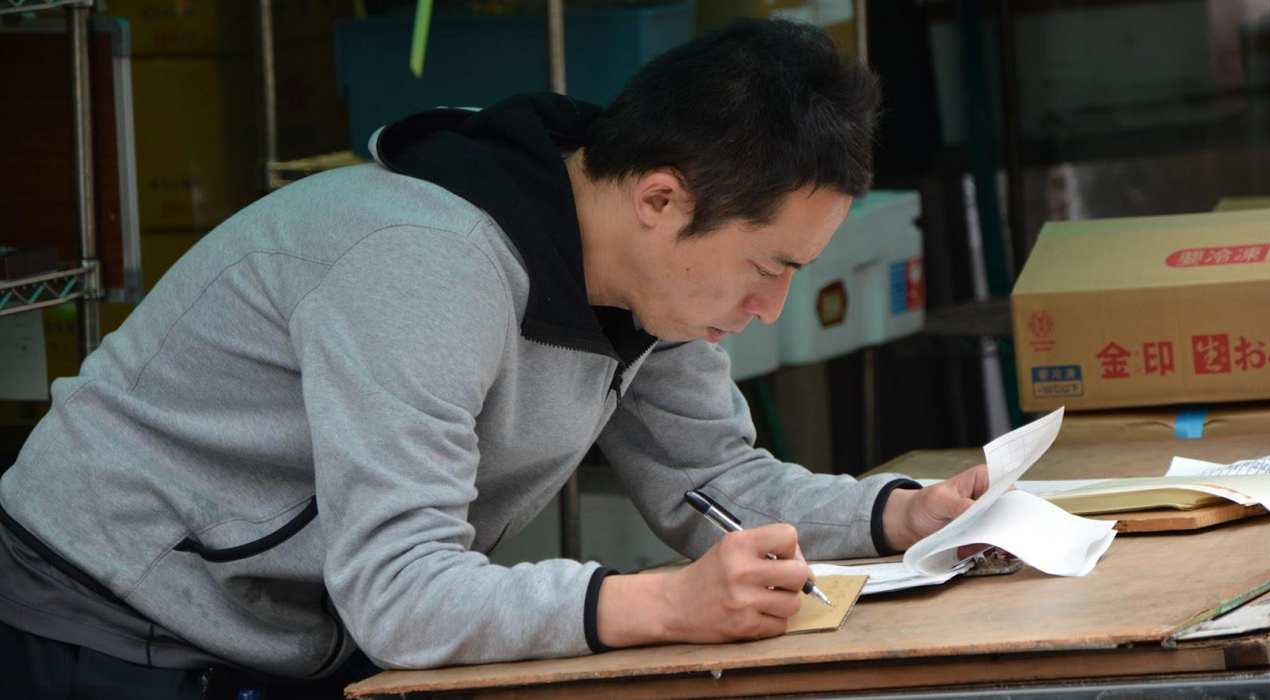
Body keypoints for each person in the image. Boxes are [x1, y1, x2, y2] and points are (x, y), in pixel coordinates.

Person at [0, 17, 991, 698]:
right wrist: (661, 603)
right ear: (660, 198)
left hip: (293, 620)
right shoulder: (424, 268)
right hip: (109, 612)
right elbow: (402, 590)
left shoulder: (649, 280)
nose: (768, 307)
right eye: (765, 267)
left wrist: (902, 513)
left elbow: (715, 478)